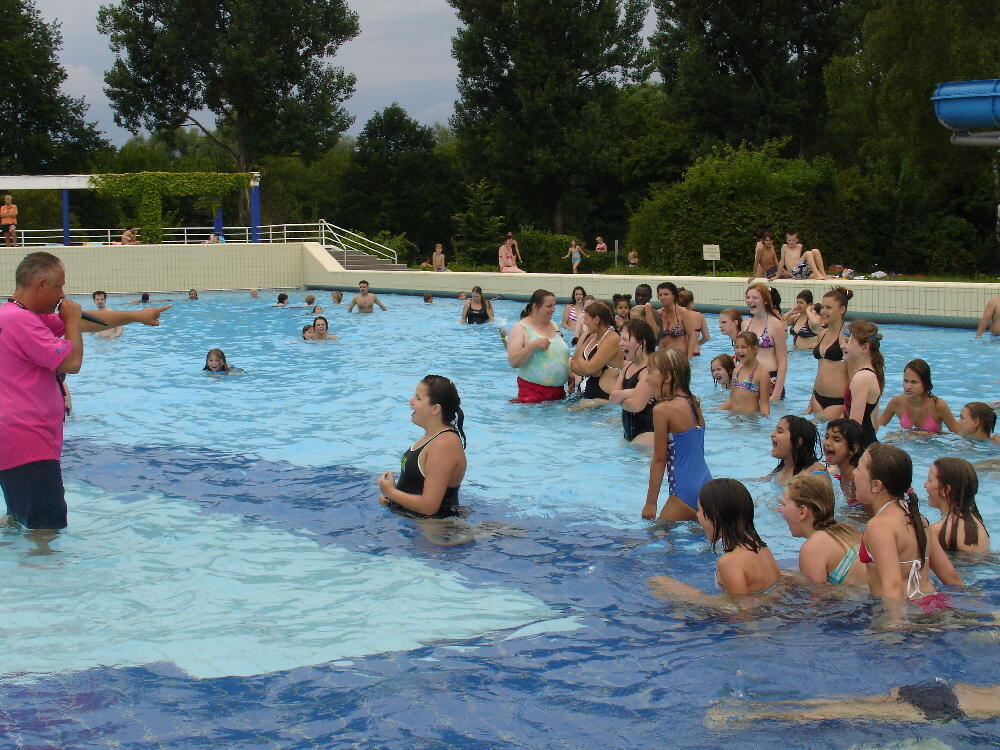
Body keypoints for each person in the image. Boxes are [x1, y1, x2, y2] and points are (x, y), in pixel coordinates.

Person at [0, 252, 170, 530]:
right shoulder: (23, 321)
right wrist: (69, 321)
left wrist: (136, 316)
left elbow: (86, 322)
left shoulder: (13, 315)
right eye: (60, 286)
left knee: (18, 521)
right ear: (41, 284)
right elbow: (71, 361)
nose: (62, 294)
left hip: (12, 441)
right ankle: (47, 574)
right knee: (46, 530)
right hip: (29, 440)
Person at [855, 443, 962, 617]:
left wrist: (893, 629)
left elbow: (894, 587)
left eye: (859, 468)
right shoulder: (918, 519)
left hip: (911, 613)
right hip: (936, 604)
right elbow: (951, 577)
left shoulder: (879, 525)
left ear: (876, 485)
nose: (854, 473)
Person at [649, 478, 781, 600]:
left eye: (700, 510)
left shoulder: (729, 562)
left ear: (715, 518)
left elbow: (741, 612)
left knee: (658, 583)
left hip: (740, 619)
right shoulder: (762, 547)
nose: (697, 515)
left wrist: (694, 598)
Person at [706, 681, 1000, 726]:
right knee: (843, 710)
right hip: (947, 708)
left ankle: (756, 707)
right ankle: (753, 716)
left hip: (941, 687)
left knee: (845, 702)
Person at [378, 375, 467, 518]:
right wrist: (391, 498)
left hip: (436, 533)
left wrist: (391, 493)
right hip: (415, 525)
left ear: (435, 409)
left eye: (418, 398)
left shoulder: (445, 444)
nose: (411, 401)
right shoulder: (431, 438)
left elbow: (429, 506)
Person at [642, 349, 713, 522]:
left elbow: (660, 459)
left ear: (667, 377)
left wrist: (651, 503)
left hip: (683, 492)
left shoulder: (662, 410)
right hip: (707, 486)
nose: (646, 378)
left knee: (655, 540)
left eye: (651, 372)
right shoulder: (694, 402)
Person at [778, 474, 865, 585]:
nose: (780, 510)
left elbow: (818, 598)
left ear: (802, 512)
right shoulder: (845, 531)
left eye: (783, 504)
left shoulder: (813, 547)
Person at [506, 289, 570, 403]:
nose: (553, 309)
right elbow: (513, 362)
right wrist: (532, 346)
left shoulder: (555, 326)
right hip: (533, 394)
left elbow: (560, 355)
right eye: (549, 306)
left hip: (559, 394)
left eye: (554, 305)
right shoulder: (520, 328)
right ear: (536, 307)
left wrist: (570, 372)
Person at [924, 457, 989, 553]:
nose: (925, 485)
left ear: (945, 490)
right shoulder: (979, 525)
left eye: (929, 480)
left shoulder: (935, 532)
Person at [609, 319, 658, 445]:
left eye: (625, 340)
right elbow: (612, 398)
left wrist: (622, 396)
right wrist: (632, 392)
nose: (620, 344)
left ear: (642, 343)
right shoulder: (627, 367)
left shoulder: (650, 370)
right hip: (629, 434)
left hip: (649, 434)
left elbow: (636, 405)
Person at [878, 359, 959, 434]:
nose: (908, 386)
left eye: (914, 382)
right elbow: (876, 428)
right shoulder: (896, 402)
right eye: (906, 381)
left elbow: (958, 435)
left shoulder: (938, 405)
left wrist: (915, 435)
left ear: (925, 383)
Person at [807, 287, 853, 420]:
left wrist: (848, 406)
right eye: (822, 307)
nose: (823, 311)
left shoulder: (846, 336)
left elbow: (853, 374)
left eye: (829, 307)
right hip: (817, 398)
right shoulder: (822, 333)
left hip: (838, 402)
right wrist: (811, 401)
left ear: (842, 309)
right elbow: (820, 370)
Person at [569, 301, 621, 405]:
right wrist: (584, 334)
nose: (584, 322)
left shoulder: (612, 338)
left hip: (602, 400)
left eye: (586, 318)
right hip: (584, 395)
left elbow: (590, 368)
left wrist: (582, 363)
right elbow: (573, 364)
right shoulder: (592, 336)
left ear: (596, 319)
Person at [843, 320, 884, 449]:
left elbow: (854, 427)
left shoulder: (862, 378)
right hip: (868, 446)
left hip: (860, 449)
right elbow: (875, 423)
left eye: (848, 341)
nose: (843, 346)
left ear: (865, 348)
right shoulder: (872, 373)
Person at [744, 283, 787, 401]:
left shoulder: (775, 324)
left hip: (769, 379)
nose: (750, 301)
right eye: (748, 297)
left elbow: (783, 361)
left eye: (755, 297)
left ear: (766, 301)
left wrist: (776, 393)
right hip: (749, 379)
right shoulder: (746, 324)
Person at [720, 332, 770, 416]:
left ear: (755, 349)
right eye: (736, 347)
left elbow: (764, 405)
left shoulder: (762, 374)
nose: (739, 351)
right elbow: (731, 400)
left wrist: (765, 423)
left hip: (750, 422)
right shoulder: (736, 371)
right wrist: (714, 411)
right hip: (734, 420)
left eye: (743, 347)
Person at [769, 415, 828, 486]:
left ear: (797, 442)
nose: (772, 434)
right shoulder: (781, 468)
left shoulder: (816, 474)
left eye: (780, 431)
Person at [822, 418, 865, 509]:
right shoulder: (835, 478)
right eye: (826, 437)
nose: (827, 443)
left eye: (837, 440)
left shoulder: (862, 483)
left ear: (853, 448)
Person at [656, 282, 695, 359]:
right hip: (662, 356)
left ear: (674, 296)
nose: (663, 297)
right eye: (660, 295)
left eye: (666, 294)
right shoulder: (658, 314)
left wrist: (689, 357)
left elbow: (692, 335)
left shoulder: (683, 312)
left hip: (679, 357)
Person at [677, 288, 710, 355]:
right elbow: (706, 337)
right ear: (691, 302)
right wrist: (696, 343)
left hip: (679, 353)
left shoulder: (674, 316)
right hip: (695, 352)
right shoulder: (699, 316)